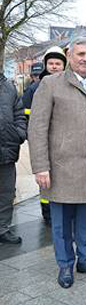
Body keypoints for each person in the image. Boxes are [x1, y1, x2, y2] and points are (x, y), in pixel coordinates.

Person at [28, 37, 86, 289]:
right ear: (70, 56)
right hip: (61, 169)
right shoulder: (50, 84)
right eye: (81, 54)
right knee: (60, 223)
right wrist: (40, 166)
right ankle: (65, 264)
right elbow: (37, 129)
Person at [23, 46, 67, 226]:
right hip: (44, 142)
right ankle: (48, 215)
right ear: (45, 65)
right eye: (51, 63)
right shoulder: (35, 88)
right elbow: (26, 115)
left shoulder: (69, 86)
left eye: (58, 63)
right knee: (45, 180)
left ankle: (62, 211)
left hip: (63, 142)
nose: (55, 66)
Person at [0, 71, 27, 245]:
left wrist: (19, 133)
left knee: (6, 193)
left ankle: (2, 229)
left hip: (7, 150)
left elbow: (19, 114)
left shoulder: (9, 87)